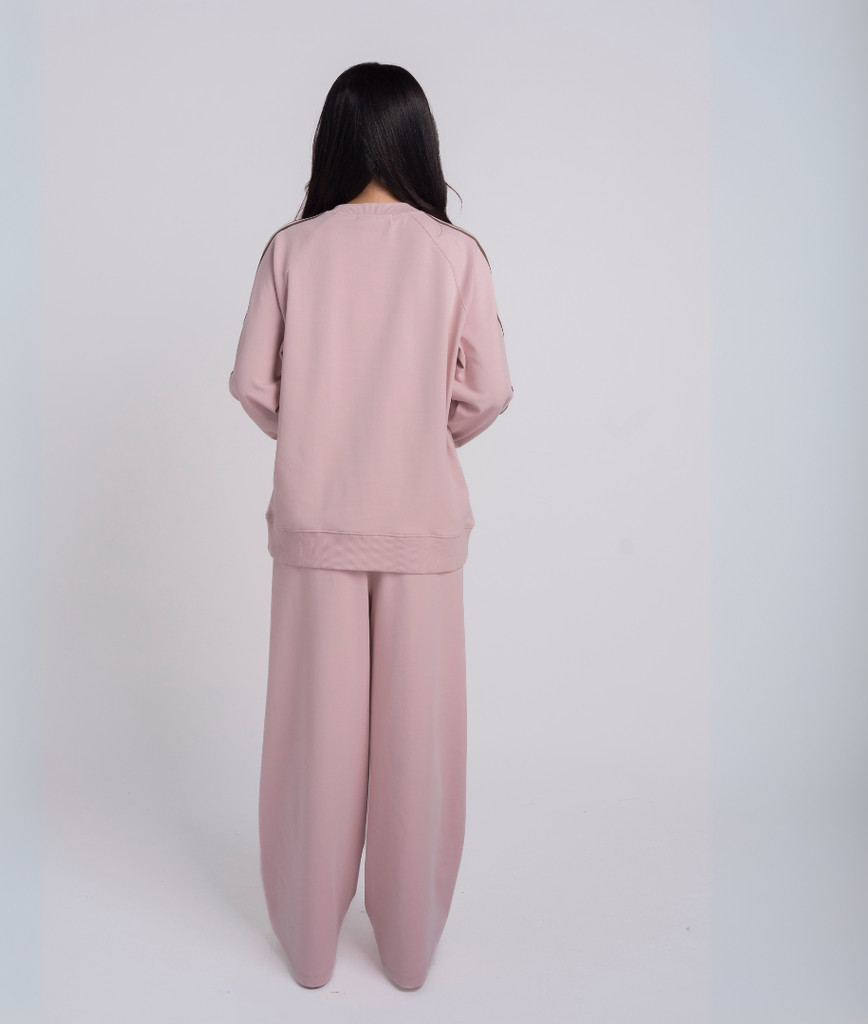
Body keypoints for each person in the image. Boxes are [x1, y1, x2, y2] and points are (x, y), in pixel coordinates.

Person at [228, 61, 514, 990]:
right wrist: (421, 435)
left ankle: (310, 951)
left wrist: (319, 430)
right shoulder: (455, 253)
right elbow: (490, 390)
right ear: (417, 141)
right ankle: (409, 953)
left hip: (316, 522)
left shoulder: (291, 250)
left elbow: (252, 383)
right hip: (420, 525)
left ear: (334, 140)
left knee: (312, 735)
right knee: (416, 743)